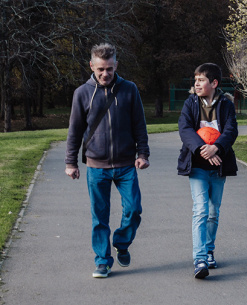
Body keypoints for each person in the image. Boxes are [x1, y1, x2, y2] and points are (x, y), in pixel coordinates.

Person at [64, 43, 150, 278]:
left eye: (109, 69)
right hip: (96, 166)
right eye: (100, 69)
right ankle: (102, 260)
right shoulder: (82, 93)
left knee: (134, 209)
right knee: (99, 217)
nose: (105, 74)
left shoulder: (129, 89)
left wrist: (143, 154)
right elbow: (74, 131)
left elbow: (139, 126)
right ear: (92, 66)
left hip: (125, 165)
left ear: (116, 66)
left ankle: (121, 243)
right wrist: (71, 162)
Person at [178, 63, 238, 279]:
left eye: (201, 79)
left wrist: (217, 148)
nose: (196, 83)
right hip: (197, 166)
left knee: (213, 212)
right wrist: (203, 149)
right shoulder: (190, 104)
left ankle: (209, 249)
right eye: (195, 80)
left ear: (214, 83)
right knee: (201, 210)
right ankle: (200, 258)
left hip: (219, 165)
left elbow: (231, 130)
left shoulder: (226, 105)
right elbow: (184, 129)